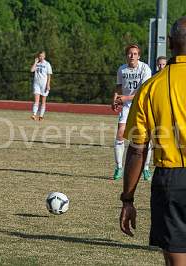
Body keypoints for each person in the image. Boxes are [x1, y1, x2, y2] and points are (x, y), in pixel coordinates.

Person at [119, 16, 186, 265]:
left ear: (169, 43)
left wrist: (128, 199)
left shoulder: (151, 87)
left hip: (172, 180)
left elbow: (137, 150)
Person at [111, 44, 152, 181]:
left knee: (145, 137)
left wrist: (125, 98)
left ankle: (146, 169)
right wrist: (115, 99)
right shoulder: (121, 69)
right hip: (127, 105)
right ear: (126, 56)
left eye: (135, 54)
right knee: (120, 133)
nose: (132, 56)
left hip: (141, 105)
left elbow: (143, 92)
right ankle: (119, 167)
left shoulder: (145, 68)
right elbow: (118, 86)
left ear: (139, 56)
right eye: (130, 53)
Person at [30, 51, 53, 121]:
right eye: (39, 56)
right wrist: (35, 62)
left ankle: (41, 115)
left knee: (43, 101)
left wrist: (48, 84)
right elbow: (31, 70)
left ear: (44, 56)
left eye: (42, 56)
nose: (41, 57)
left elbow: (49, 75)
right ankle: (34, 114)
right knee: (36, 100)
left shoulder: (47, 64)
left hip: (44, 84)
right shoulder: (37, 63)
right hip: (36, 84)